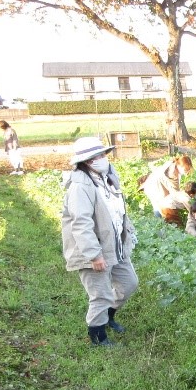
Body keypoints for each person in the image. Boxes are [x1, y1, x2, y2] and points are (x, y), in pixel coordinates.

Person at [61, 137, 139, 347]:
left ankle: (108, 317)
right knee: (100, 294)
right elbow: (81, 223)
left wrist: (128, 233)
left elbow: (117, 212)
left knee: (129, 283)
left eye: (104, 154)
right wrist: (94, 255)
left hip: (114, 245)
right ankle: (97, 336)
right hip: (92, 250)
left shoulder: (109, 178)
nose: (103, 159)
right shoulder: (80, 187)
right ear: (86, 161)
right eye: (97, 156)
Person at [141, 154, 194, 228]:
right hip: (154, 188)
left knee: (162, 205)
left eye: (187, 170)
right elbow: (176, 194)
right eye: (185, 170)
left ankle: (161, 226)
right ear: (180, 166)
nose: (186, 172)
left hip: (152, 184)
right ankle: (161, 227)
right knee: (160, 206)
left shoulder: (173, 163)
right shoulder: (173, 173)